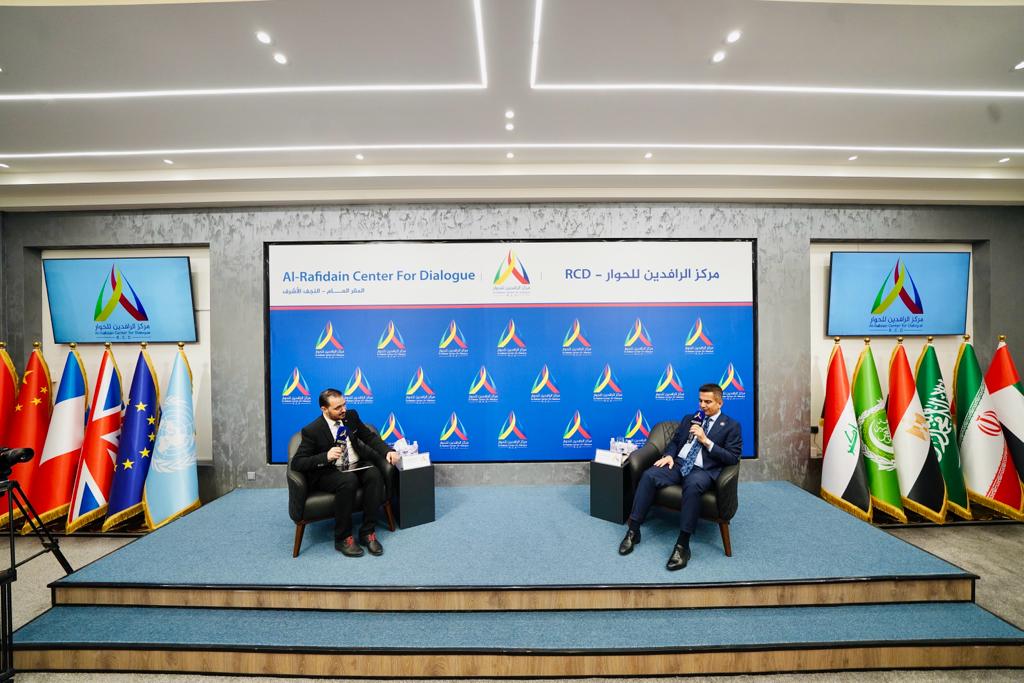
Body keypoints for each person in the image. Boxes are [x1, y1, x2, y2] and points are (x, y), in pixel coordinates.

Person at [618, 383, 742, 570]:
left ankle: (683, 545)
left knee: (692, 486)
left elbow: (732, 457)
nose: (702, 405)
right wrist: (669, 455)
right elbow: (675, 442)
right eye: (700, 401)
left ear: (720, 402)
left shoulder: (731, 426)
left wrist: (706, 441)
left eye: (708, 402)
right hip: (678, 464)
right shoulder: (690, 419)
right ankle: (633, 531)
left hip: (703, 470)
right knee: (649, 475)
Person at [291, 389, 400, 557]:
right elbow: (297, 462)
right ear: (324, 409)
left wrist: (388, 451)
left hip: (355, 464)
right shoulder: (312, 430)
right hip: (329, 471)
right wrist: (325, 456)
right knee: (348, 481)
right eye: (337, 408)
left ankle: (367, 532)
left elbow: (369, 437)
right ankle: (343, 538)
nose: (343, 410)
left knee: (374, 474)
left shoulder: (351, 416)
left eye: (344, 404)